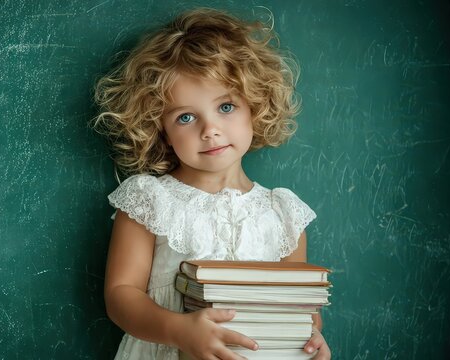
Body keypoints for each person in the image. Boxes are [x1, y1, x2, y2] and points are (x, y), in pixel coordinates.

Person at [92, 8, 331, 360]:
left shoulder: (284, 214)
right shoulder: (149, 200)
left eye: (226, 106)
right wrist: (180, 331)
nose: (210, 129)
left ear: (254, 104)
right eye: (185, 117)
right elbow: (121, 295)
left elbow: (301, 309)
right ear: (163, 131)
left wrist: (311, 339)